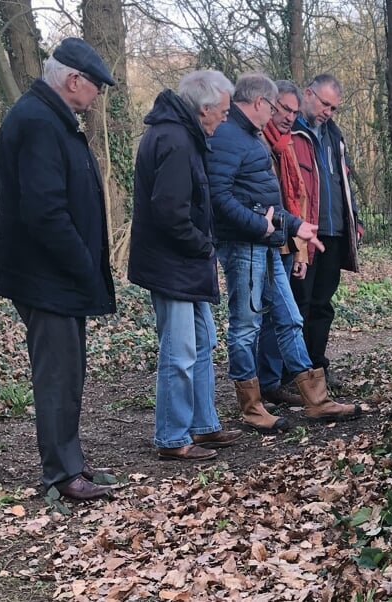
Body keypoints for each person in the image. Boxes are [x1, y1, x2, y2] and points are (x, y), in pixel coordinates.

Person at [0, 38, 118, 501]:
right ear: (73, 80)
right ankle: (61, 475)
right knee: (57, 375)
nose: (97, 97)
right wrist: (83, 265)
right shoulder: (39, 122)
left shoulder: (49, 117)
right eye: (95, 87)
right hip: (46, 276)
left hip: (57, 275)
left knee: (69, 372)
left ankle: (72, 462)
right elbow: (45, 211)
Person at [207, 73, 361, 431]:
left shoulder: (252, 136)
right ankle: (251, 406)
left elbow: (267, 199)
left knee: (291, 319)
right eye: (276, 107)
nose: (280, 116)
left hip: (270, 244)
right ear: (260, 103)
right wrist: (263, 224)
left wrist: (295, 226)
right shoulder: (229, 136)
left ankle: (316, 400)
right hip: (245, 246)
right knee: (245, 327)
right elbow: (219, 197)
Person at [128, 70, 245, 461]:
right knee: (179, 352)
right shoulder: (175, 140)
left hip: (185, 265)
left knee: (202, 344)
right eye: (225, 112)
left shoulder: (181, 135)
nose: (226, 119)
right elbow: (170, 212)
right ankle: (173, 436)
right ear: (206, 108)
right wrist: (203, 245)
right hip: (173, 265)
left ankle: (202, 425)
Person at [291, 74, 364, 389]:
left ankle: (318, 369)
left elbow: (344, 184)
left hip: (333, 234)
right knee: (298, 304)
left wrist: (355, 221)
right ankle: (295, 372)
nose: (328, 112)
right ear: (308, 94)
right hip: (303, 234)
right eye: (325, 104)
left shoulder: (335, 136)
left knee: (322, 304)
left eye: (333, 108)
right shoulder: (290, 132)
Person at [256, 80, 307, 409]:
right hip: (262, 242)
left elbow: (297, 199)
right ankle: (257, 387)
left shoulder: (286, 146)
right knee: (260, 317)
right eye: (285, 108)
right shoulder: (257, 142)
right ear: (271, 105)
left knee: (278, 318)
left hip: (286, 243)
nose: (289, 116)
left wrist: (301, 249)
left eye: (294, 111)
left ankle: (271, 383)